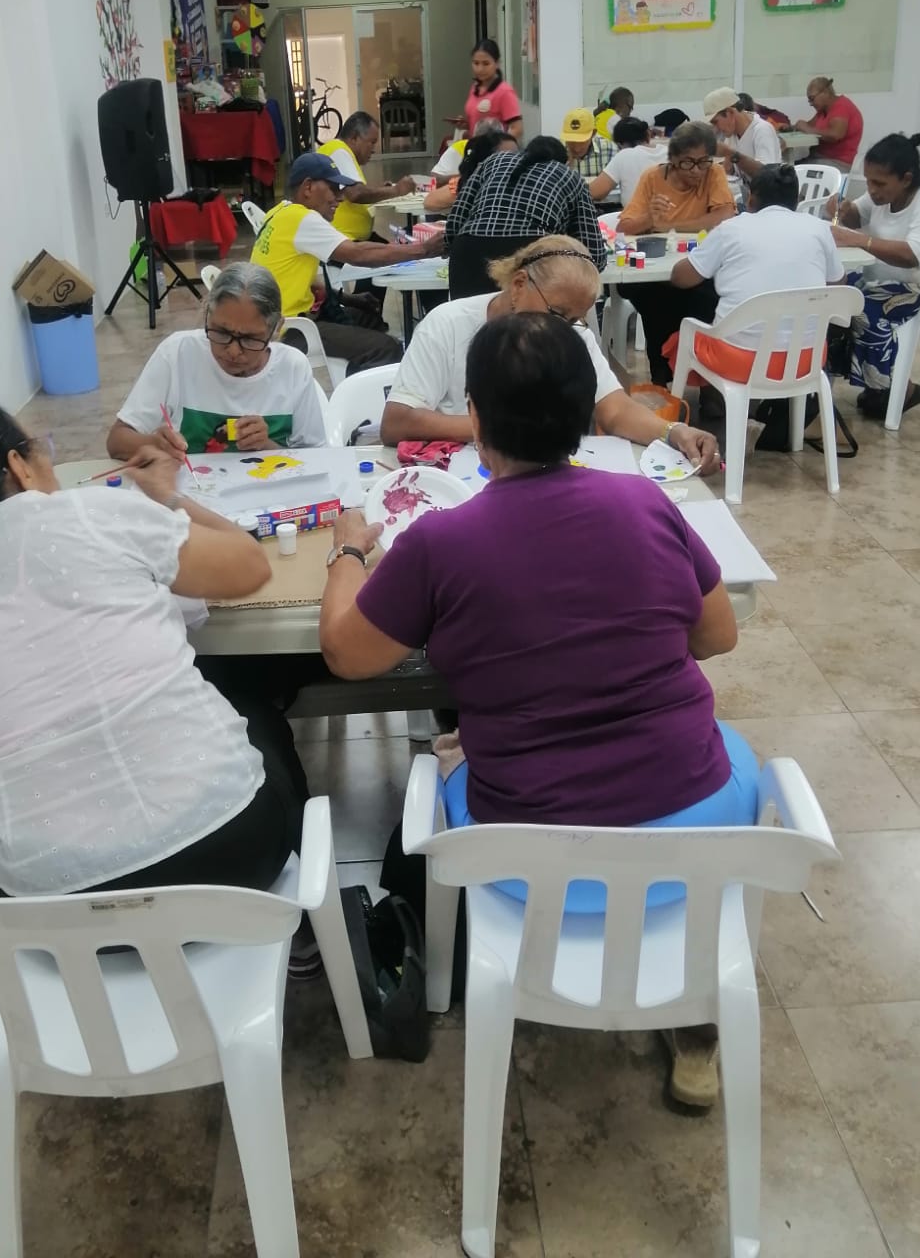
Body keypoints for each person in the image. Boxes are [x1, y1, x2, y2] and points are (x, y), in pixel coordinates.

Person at [322, 312, 751, 1109]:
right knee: (723, 748)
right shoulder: (646, 502)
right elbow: (717, 636)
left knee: (445, 763)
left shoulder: (439, 543)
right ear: (587, 413)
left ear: (475, 416)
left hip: (532, 859)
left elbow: (348, 656)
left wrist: (348, 549)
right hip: (696, 834)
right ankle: (693, 1013)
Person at [0, 398, 310, 900]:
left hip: (50, 902)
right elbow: (249, 566)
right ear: (18, 466)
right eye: (41, 448)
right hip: (231, 850)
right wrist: (168, 497)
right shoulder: (91, 512)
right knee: (257, 716)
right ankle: (310, 924)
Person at [379, 235, 721, 475]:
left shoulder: (570, 335)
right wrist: (507, 430)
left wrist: (674, 432)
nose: (564, 328)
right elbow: (397, 422)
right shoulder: (447, 325)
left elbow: (615, 409)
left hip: (534, 477)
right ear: (518, 284)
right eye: (557, 313)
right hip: (458, 478)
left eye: (574, 320)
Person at [107, 263, 325, 461]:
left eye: (250, 339)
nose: (233, 351)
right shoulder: (177, 353)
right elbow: (117, 441)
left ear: (275, 329)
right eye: (221, 332)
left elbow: (317, 458)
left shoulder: (292, 367)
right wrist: (155, 444)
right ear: (207, 314)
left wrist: (266, 446)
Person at [826, 132, 920, 419]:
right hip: (888, 279)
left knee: (864, 309)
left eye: (878, 183)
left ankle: (898, 389)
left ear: (906, 179)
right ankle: (861, 385)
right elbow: (857, 217)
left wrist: (859, 240)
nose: (872, 190)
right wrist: (842, 210)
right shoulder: (883, 190)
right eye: (868, 181)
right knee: (833, 295)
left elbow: (911, 256)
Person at [251, 151, 435, 373]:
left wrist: (349, 298)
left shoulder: (278, 212)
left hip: (273, 320)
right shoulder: (302, 218)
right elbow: (358, 254)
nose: (340, 198)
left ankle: (353, 373)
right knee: (387, 348)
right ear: (308, 187)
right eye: (333, 189)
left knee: (369, 318)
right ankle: (355, 391)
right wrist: (424, 249)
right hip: (289, 329)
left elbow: (294, 278)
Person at [667, 163, 845, 381]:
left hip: (738, 361)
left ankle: (719, 396)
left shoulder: (730, 229)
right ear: (797, 201)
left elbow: (681, 278)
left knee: (689, 333)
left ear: (750, 199)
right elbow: (838, 284)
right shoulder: (820, 229)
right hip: (807, 361)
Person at [616, 121, 737, 384]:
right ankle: (661, 375)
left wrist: (670, 225)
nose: (696, 170)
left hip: (697, 267)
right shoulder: (653, 178)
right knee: (654, 299)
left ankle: (706, 382)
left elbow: (725, 215)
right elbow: (624, 228)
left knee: (707, 298)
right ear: (672, 160)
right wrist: (649, 218)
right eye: (688, 163)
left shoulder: (713, 173)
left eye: (703, 162)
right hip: (655, 272)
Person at [446, 135, 607, 298]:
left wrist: (452, 248)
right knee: (527, 315)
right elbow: (593, 255)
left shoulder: (494, 161)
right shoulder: (570, 177)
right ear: (564, 162)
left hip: (468, 252)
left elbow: (455, 220)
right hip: (532, 252)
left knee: (468, 313)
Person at [318, 110, 416, 241]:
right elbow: (356, 193)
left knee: (397, 243)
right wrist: (396, 190)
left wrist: (380, 190)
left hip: (351, 237)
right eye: (372, 142)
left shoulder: (338, 151)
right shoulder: (339, 151)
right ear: (354, 138)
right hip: (344, 240)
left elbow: (350, 191)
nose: (374, 149)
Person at [423, 126, 516, 214]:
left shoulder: (470, 182)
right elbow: (431, 201)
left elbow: (430, 202)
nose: (515, 160)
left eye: (516, 154)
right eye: (506, 157)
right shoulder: (472, 182)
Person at [703, 87, 783, 187]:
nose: (716, 128)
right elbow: (730, 172)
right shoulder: (731, 133)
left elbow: (766, 175)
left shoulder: (762, 130)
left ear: (730, 112)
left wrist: (731, 154)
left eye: (716, 122)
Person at [585, 116, 669, 205]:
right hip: (673, 211)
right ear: (648, 136)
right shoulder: (668, 152)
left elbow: (595, 193)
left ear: (619, 144)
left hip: (637, 213)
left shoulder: (624, 155)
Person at [794, 76, 864, 171]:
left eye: (812, 99)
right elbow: (809, 125)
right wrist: (790, 127)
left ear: (825, 93)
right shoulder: (824, 110)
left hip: (837, 162)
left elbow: (835, 135)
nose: (811, 103)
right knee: (787, 169)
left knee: (791, 173)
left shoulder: (841, 106)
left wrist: (808, 129)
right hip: (819, 158)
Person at [463, 38, 523, 140]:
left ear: (497, 63)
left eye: (486, 63)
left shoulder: (504, 91)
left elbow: (517, 129)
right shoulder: (475, 88)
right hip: (475, 146)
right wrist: (466, 125)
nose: (480, 69)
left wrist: (498, 146)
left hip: (494, 148)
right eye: (476, 63)